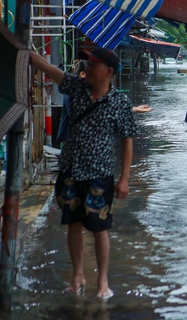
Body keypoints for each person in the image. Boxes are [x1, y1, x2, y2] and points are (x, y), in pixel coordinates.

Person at [30, 47, 138, 300]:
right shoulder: (76, 89)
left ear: (108, 72)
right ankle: (77, 275)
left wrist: (124, 179)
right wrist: (21, 49)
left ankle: (102, 281)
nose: (87, 68)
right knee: (73, 224)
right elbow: (47, 68)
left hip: (99, 173)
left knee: (100, 229)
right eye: (87, 63)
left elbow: (127, 140)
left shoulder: (120, 102)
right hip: (70, 170)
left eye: (93, 64)